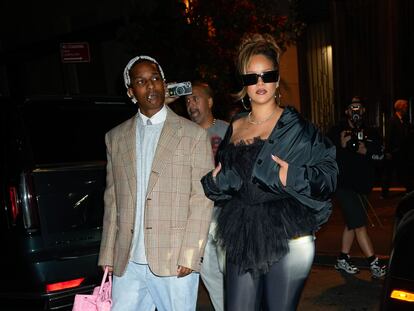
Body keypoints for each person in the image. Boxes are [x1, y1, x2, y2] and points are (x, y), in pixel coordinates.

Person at [200, 33, 338, 311]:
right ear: (244, 85)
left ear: (276, 80)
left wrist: (293, 176)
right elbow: (230, 182)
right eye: (251, 77)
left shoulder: (296, 127)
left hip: (286, 234)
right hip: (242, 232)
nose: (260, 83)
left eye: (266, 75)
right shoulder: (236, 125)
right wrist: (214, 183)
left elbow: (330, 174)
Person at [98, 55, 214, 311]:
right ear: (131, 91)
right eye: (141, 81)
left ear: (164, 83)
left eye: (155, 79)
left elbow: (202, 198)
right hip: (127, 260)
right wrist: (108, 254)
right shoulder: (115, 138)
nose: (150, 86)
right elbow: (112, 199)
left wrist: (191, 254)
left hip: (174, 260)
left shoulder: (193, 135)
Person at [328, 96, 387, 279]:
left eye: (359, 108)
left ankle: (343, 259)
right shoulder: (337, 131)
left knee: (352, 223)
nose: (355, 112)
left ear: (363, 111)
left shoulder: (372, 132)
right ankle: (374, 263)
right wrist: (340, 145)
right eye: (352, 108)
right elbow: (325, 154)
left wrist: (366, 151)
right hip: (344, 186)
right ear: (346, 111)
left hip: (362, 186)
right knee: (360, 224)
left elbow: (381, 158)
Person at [185, 81, 228, 311]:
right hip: (197, 218)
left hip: (225, 214)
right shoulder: (182, 134)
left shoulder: (227, 130)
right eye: (187, 100)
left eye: (196, 98)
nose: (191, 104)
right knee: (210, 275)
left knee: (233, 273)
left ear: (209, 101)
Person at [381, 99, 412, 198]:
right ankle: (384, 193)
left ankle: (409, 190)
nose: (406, 109)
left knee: (403, 171)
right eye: (405, 107)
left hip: (400, 151)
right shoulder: (393, 120)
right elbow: (389, 137)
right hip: (394, 151)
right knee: (389, 172)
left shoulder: (402, 120)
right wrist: (388, 151)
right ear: (400, 108)